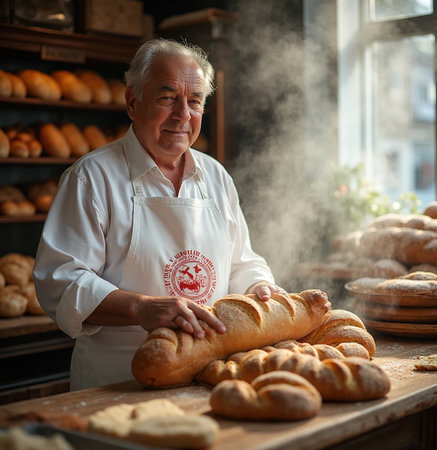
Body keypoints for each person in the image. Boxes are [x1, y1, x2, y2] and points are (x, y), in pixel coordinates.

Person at [34, 38, 287, 391]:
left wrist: (258, 285)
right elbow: (60, 282)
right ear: (132, 102)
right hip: (116, 382)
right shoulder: (92, 178)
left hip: (207, 372)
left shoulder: (215, 176)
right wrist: (140, 308)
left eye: (194, 102)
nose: (183, 115)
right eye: (167, 98)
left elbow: (242, 262)